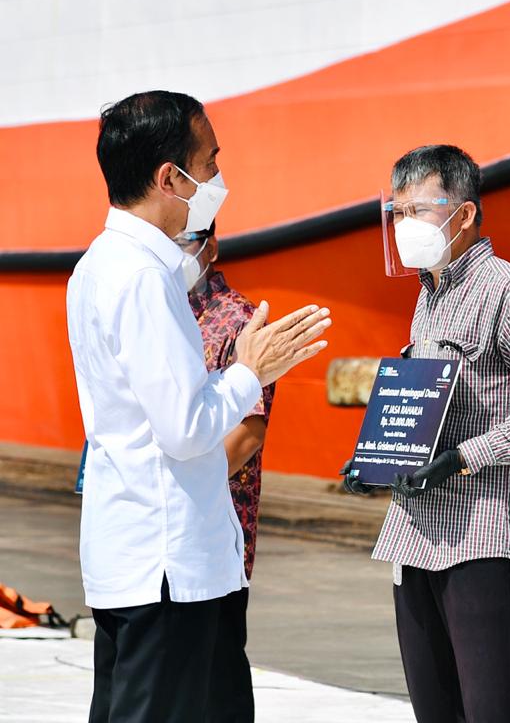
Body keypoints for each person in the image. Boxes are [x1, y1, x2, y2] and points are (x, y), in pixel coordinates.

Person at [67, 90, 331, 723]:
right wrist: (250, 371)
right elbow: (186, 430)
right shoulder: (142, 278)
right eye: (209, 163)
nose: (218, 178)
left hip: (137, 553)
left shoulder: (99, 266)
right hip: (166, 564)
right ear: (169, 179)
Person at [343, 145, 510, 723]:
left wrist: (462, 459)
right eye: (397, 213)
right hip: (414, 535)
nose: (405, 227)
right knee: (436, 711)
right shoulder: (428, 297)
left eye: (418, 211)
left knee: (493, 711)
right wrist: (375, 462)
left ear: (465, 213)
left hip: (483, 534)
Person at [177, 220, 275, 722]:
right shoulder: (165, 315)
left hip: (217, 527)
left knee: (217, 674)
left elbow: (247, 434)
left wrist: (188, 487)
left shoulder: (238, 320)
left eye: (184, 243)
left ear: (210, 246)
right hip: (168, 533)